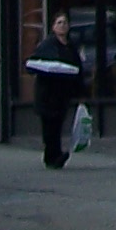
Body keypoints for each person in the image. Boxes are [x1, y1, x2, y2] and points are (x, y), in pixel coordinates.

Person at [24, 13, 88, 170]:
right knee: (49, 125)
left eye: (65, 22)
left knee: (58, 124)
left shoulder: (71, 46)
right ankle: (53, 156)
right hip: (47, 93)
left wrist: (80, 92)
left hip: (63, 93)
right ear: (53, 27)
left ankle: (54, 155)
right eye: (59, 22)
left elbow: (78, 69)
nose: (62, 25)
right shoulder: (47, 45)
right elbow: (34, 65)